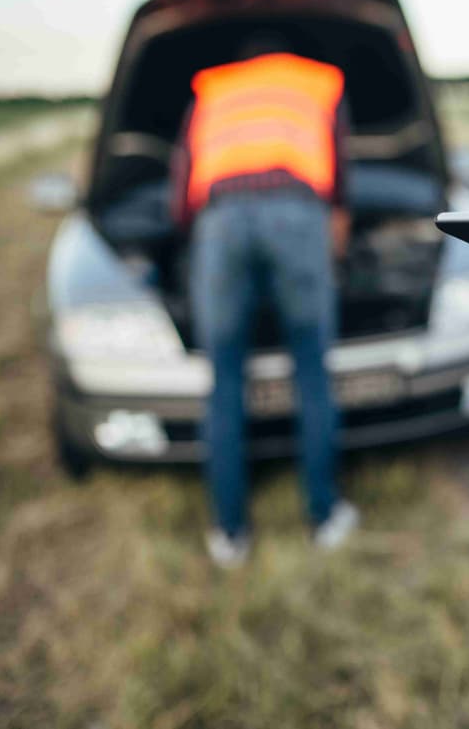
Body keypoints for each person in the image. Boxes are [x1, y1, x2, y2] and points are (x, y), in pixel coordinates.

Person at [173, 36, 358, 567]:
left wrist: (193, 237)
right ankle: (324, 516)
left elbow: (183, 173)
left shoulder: (214, 88)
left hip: (221, 219)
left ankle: (229, 532)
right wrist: (336, 228)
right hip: (298, 215)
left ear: (243, 60)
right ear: (286, 57)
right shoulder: (318, 81)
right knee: (311, 371)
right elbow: (341, 167)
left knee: (225, 377)